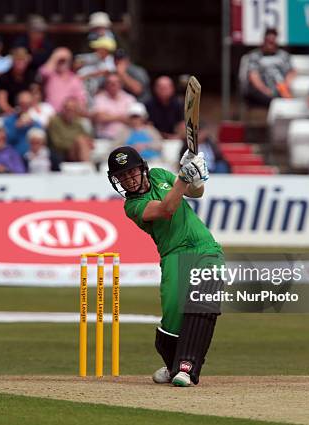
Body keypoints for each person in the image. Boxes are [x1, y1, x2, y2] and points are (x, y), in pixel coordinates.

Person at [106, 145, 222, 387]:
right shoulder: (133, 207)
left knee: (202, 303)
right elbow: (167, 209)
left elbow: (195, 193)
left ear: (142, 169)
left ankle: (186, 369)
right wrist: (182, 175)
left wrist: (196, 177)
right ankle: (174, 367)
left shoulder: (159, 175)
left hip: (204, 247)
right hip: (173, 256)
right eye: (123, 177)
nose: (129, 179)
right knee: (171, 323)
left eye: (132, 172)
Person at [244, 28, 295, 107]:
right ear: (264, 40)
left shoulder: (283, 55)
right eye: (268, 41)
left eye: (272, 41)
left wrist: (285, 86)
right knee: (274, 100)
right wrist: (265, 90)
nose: (270, 44)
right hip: (261, 90)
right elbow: (253, 76)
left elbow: (291, 72)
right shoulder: (255, 56)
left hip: (280, 89)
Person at [39, 47, 87, 112]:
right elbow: (42, 72)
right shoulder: (51, 75)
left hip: (68, 115)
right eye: (59, 61)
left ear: (69, 62)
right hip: (51, 114)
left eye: (64, 61)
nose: (61, 63)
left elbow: (81, 100)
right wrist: (55, 57)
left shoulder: (74, 79)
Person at [47, 97, 94, 162]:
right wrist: (74, 144)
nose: (70, 112)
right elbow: (56, 143)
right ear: (63, 109)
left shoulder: (78, 123)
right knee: (80, 141)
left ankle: (87, 165)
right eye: (68, 109)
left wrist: (88, 141)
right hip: (63, 152)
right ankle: (88, 166)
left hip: (78, 150)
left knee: (83, 141)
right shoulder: (55, 122)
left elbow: (86, 137)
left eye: (73, 110)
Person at [92, 72, 136, 140]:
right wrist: (121, 117)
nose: (113, 85)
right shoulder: (99, 98)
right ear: (106, 85)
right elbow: (99, 118)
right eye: (110, 82)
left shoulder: (130, 99)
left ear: (121, 84)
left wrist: (108, 116)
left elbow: (134, 120)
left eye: (116, 82)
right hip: (105, 137)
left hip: (126, 138)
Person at [0, 47, 35, 114]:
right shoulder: (4, 77)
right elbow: (2, 102)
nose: (20, 63)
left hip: (29, 112)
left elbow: (35, 96)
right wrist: (14, 114)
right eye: (18, 60)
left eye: (22, 60)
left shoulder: (32, 76)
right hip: (10, 112)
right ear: (13, 61)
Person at [76, 37, 117, 101]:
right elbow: (78, 62)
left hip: (100, 93)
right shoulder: (94, 57)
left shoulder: (110, 61)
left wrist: (87, 76)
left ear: (105, 50)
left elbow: (107, 72)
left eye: (99, 48)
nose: (96, 49)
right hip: (83, 91)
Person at [4, 90, 41, 157]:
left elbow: (41, 139)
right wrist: (16, 128)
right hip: (14, 158)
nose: (25, 106)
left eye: (28, 104)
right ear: (17, 104)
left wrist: (32, 124)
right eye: (22, 104)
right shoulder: (8, 121)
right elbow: (5, 142)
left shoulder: (35, 121)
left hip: (32, 158)